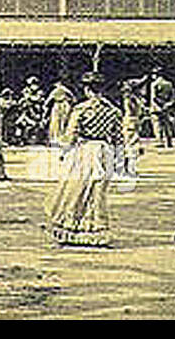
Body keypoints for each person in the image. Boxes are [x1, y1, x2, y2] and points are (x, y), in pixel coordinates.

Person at [45, 71, 122, 247]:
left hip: (85, 152)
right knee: (97, 193)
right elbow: (118, 139)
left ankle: (72, 229)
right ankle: (97, 231)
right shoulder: (113, 111)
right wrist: (120, 158)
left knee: (75, 192)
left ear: (87, 90)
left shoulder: (80, 110)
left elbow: (70, 136)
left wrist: (62, 149)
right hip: (104, 153)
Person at [148, 68, 175, 148]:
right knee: (167, 125)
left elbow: (154, 97)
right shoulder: (169, 84)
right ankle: (169, 141)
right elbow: (173, 97)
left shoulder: (154, 84)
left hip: (156, 107)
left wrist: (159, 105)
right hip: (166, 107)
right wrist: (168, 105)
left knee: (157, 124)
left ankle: (159, 141)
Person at [46, 76, 76, 147]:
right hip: (62, 106)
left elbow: (48, 100)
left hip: (60, 106)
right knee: (57, 123)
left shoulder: (59, 90)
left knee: (59, 123)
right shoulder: (64, 90)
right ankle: (56, 139)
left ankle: (58, 139)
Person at [19, 77, 46, 145]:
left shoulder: (39, 93)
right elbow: (23, 103)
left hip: (37, 114)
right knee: (23, 124)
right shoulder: (26, 92)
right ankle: (22, 139)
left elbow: (39, 101)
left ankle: (37, 138)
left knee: (38, 125)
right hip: (27, 114)